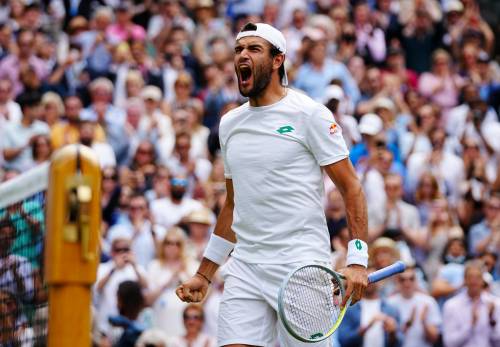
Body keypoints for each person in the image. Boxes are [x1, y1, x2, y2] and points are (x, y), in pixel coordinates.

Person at [176, 22, 369, 347]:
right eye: (239, 50)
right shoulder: (229, 124)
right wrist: (205, 273)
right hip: (246, 268)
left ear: (278, 60)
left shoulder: (310, 115)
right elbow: (234, 205)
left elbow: (352, 188)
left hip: (301, 266)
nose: (242, 56)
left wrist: (357, 260)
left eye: (253, 49)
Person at [338, 266, 403, 347]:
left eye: (374, 278)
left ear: (380, 282)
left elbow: (399, 343)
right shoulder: (349, 309)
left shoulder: (391, 309)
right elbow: (343, 341)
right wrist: (367, 327)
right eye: (366, 278)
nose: (370, 282)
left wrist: (393, 333)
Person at [442, 260, 500, 347]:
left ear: (482, 280)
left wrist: (492, 320)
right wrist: (470, 325)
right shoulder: (451, 305)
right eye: (470, 277)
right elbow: (449, 343)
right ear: (464, 279)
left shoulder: (495, 304)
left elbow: (497, 342)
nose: (474, 281)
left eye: (477, 277)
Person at [388, 267, 441, 347]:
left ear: (416, 281)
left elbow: (434, 338)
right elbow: (388, 341)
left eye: (411, 279)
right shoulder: (390, 303)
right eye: (402, 280)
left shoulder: (428, 302)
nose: (407, 283)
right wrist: (407, 324)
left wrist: (424, 322)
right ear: (397, 281)